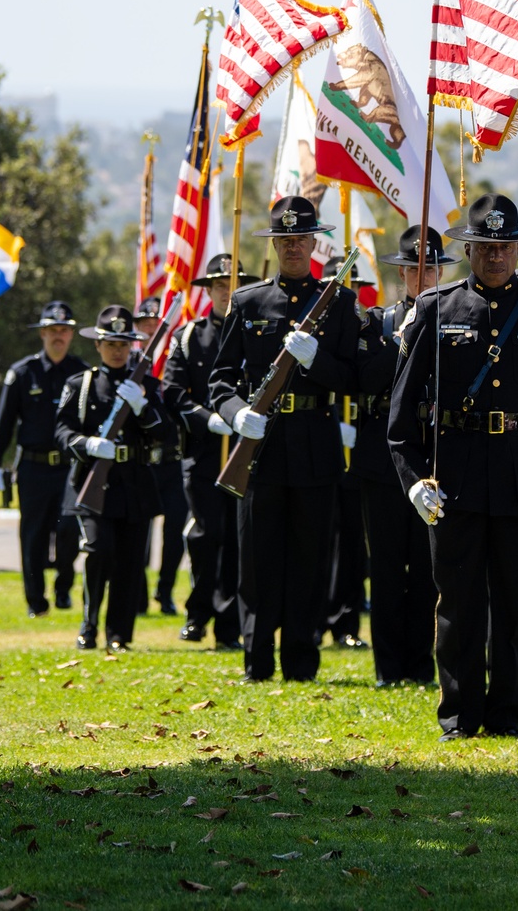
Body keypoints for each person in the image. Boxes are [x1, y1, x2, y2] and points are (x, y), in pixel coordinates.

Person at [389, 194, 518, 741]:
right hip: (456, 477)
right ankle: (458, 716)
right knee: (458, 607)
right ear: (468, 250)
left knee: (515, 607)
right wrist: (414, 481)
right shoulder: (436, 308)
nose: (496, 257)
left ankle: (505, 718)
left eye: (506, 247)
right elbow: (400, 417)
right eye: (486, 247)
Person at [209, 196, 360, 683]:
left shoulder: (340, 304)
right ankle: (256, 661)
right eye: (285, 239)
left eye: (301, 238)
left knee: (310, 558)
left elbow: (356, 379)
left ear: (316, 242)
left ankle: (300, 662)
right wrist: (237, 417)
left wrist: (319, 360)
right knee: (257, 558)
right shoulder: (249, 301)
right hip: (260, 448)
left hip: (315, 443)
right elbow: (221, 380)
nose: (294, 246)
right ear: (275, 245)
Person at [356, 225, 457, 686]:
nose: (424, 277)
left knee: (428, 567)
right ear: (402, 274)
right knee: (387, 566)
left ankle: (421, 665)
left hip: (434, 454)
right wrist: (401, 340)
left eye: (432, 268)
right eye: (414, 269)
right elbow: (365, 381)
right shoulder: (378, 322)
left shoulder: (455, 320)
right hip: (384, 456)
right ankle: (387, 668)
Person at [161, 254, 258, 649]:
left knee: (237, 539)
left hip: (245, 451)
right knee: (206, 535)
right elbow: (171, 392)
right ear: (210, 291)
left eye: (232, 286)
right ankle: (198, 613)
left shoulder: (255, 331)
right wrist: (206, 418)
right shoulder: (188, 337)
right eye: (219, 286)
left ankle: (229, 626)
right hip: (202, 455)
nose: (226, 293)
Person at [55, 305, 165, 653]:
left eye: (124, 344)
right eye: (111, 343)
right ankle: (89, 624)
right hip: (94, 482)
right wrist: (87, 444)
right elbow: (61, 429)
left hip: (134, 482)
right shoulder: (81, 385)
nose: (118, 350)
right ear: (98, 345)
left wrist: (143, 408)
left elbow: (166, 434)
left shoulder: (147, 385)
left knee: (131, 562)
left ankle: (119, 634)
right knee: (99, 552)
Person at [0, 302, 86, 617]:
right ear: (43, 333)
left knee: (70, 529)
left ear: (71, 334)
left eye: (65, 330)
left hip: (69, 467)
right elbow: (5, 421)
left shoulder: (81, 373)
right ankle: (36, 601)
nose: (59, 336)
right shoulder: (22, 373)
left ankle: (63, 587)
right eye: (53, 330)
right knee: (33, 536)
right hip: (32, 466)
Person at [320, 257, 370, 654]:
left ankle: (347, 621)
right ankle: (316, 617)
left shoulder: (364, 323)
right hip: (321, 442)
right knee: (320, 541)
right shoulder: (315, 325)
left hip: (357, 450)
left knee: (353, 543)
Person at [132, 296, 186, 618]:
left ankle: (165, 592)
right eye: (145, 324)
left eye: (157, 324)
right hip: (143, 460)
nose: (152, 329)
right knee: (140, 533)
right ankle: (137, 594)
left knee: (174, 531)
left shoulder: (177, 361)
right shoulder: (130, 365)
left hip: (172, 458)